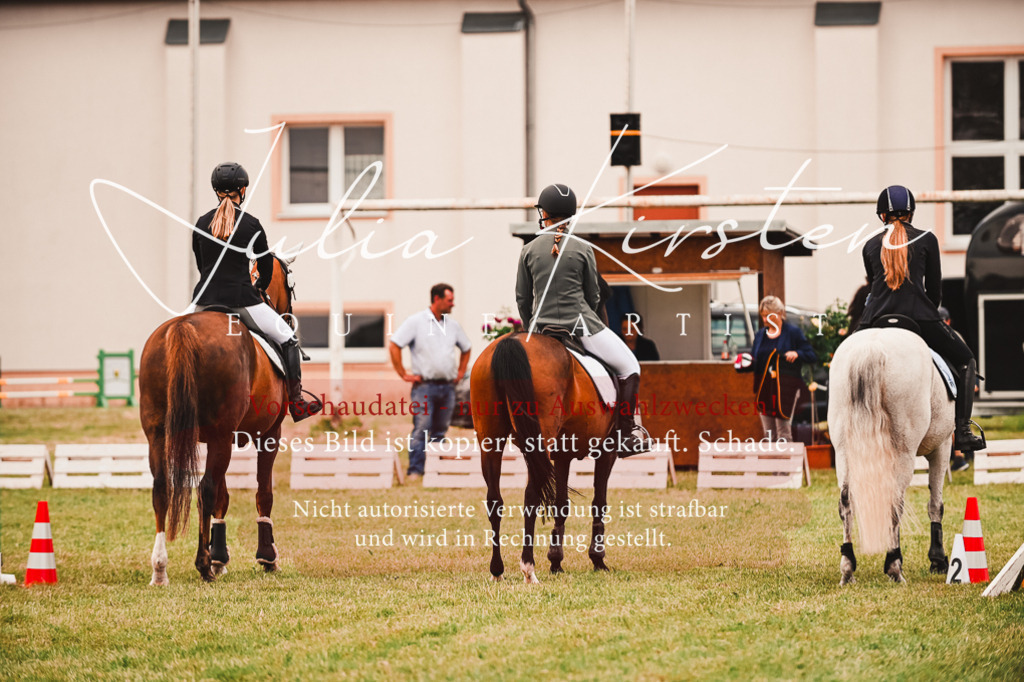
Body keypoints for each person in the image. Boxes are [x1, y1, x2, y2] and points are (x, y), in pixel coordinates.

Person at [515, 183, 652, 456]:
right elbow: (593, 295)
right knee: (630, 366)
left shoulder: (528, 250)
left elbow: (522, 299)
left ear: (546, 213)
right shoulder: (582, 249)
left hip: (541, 329)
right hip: (583, 326)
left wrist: (533, 329)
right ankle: (625, 433)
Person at [858, 184, 985, 452]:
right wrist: (928, 310)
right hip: (919, 317)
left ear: (882, 216)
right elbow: (935, 291)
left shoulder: (869, 245)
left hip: (875, 319)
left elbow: (874, 287)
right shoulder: (927, 239)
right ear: (911, 213)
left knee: (844, 365)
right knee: (966, 360)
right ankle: (962, 431)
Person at [192, 162, 322, 421]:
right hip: (241, 300)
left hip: (203, 302)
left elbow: (202, 266)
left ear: (216, 191)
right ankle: (296, 402)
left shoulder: (201, 223)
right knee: (287, 337)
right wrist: (259, 286)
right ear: (243, 190)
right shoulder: (251, 225)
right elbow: (265, 266)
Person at [390, 283, 472, 478]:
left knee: (440, 431)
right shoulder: (416, 322)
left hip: (448, 387)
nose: (453, 304)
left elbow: (466, 347)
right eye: (449, 300)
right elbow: (395, 345)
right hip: (424, 387)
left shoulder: (453, 326)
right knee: (422, 428)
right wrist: (403, 374)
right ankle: (416, 470)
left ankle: (437, 470)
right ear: (437, 299)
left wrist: (460, 372)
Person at [741, 296, 816, 442]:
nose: (765, 320)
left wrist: (797, 353)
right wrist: (745, 362)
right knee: (768, 434)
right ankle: (771, 464)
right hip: (764, 388)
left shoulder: (792, 333)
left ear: (780, 313)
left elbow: (811, 355)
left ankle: (787, 463)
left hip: (785, 388)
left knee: (783, 431)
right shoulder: (761, 335)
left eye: (769, 315)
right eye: (763, 315)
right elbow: (755, 360)